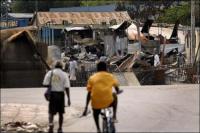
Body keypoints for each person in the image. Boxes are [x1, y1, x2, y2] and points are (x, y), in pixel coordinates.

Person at [82, 61, 123, 133]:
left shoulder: (92, 78)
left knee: (95, 113)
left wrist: (86, 108)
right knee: (114, 95)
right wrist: (118, 91)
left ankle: (98, 129)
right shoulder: (110, 76)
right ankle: (114, 116)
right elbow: (117, 88)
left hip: (96, 103)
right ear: (106, 68)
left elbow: (89, 93)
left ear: (97, 69)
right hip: (109, 101)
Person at [43, 61, 71, 133]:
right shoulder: (64, 74)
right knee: (61, 113)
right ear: (62, 66)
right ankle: (60, 128)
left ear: (54, 66)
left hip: (52, 95)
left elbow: (45, 83)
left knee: (51, 112)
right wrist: (68, 99)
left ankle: (51, 125)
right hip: (61, 95)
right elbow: (67, 87)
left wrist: (52, 84)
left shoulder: (50, 73)